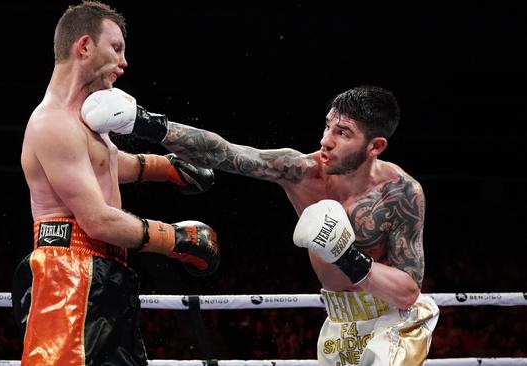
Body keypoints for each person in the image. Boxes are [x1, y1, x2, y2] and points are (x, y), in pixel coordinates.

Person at [81, 85, 440, 365]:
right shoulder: (301, 172)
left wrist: (346, 256)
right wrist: (144, 123)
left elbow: (409, 292)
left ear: (375, 146)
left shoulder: (400, 194)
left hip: (393, 320)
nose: (325, 140)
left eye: (343, 133)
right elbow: (226, 153)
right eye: (328, 125)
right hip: (340, 322)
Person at [11, 2, 220, 365]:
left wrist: (168, 167)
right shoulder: (53, 123)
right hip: (69, 275)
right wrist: (177, 239)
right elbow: (98, 220)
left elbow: (108, 164)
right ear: (85, 46)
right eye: (117, 48)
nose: (124, 63)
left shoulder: (83, 121)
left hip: (105, 274)